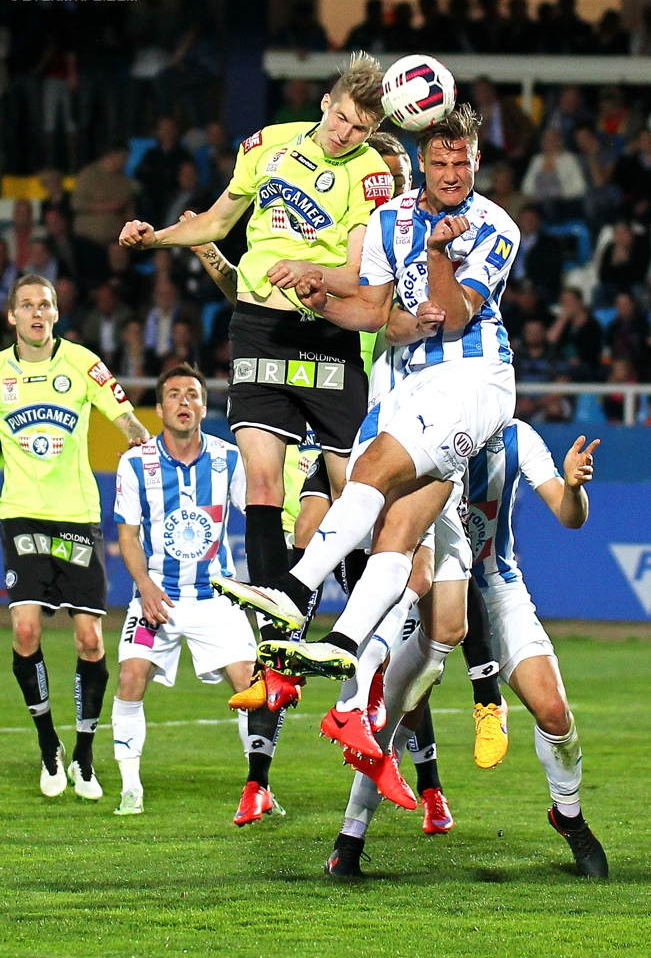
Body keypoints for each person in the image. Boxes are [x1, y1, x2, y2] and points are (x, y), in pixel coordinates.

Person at [212, 104, 519, 799]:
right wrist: (316, 292)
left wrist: (440, 253)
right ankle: (348, 670)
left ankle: (292, 593)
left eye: (460, 162)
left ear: (475, 161)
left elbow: (458, 313)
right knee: (395, 536)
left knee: (377, 486)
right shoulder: (386, 222)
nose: (449, 173)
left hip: (471, 382)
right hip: (402, 388)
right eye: (438, 161)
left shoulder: (496, 225)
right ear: (420, 157)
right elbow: (372, 311)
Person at [119, 52, 392, 631]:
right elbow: (218, 221)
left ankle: (373, 632)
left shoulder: (371, 173)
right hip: (258, 330)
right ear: (326, 102)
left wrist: (310, 272)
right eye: (342, 117)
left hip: (326, 332)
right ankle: (276, 631)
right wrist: (158, 238)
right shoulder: (267, 143)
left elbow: (358, 271)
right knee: (263, 480)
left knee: (354, 490)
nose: (346, 134)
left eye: (361, 128)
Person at [325, 422, 609, 881]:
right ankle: (349, 841)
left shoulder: (517, 439)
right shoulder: (424, 427)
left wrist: (573, 487)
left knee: (554, 712)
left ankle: (569, 816)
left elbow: (569, 515)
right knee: (396, 712)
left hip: (496, 590)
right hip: (430, 589)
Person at [0, 274, 149, 799]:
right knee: (24, 633)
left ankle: (84, 754)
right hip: (20, 513)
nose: (37, 313)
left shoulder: (82, 361)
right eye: (26, 306)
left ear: (56, 314)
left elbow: (121, 408)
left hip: (77, 515)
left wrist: (132, 427)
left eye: (45, 305)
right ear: (12, 316)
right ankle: (49, 747)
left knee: (89, 640)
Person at [111, 364, 258, 816]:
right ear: (158, 410)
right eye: (173, 395)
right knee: (131, 676)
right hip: (159, 599)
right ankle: (130, 788)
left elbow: (257, 511)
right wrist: (144, 586)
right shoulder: (136, 462)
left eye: (192, 394)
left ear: (203, 405)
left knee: (252, 687)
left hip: (216, 597)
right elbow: (129, 535)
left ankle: (260, 786)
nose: (183, 402)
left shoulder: (228, 458)